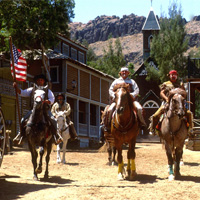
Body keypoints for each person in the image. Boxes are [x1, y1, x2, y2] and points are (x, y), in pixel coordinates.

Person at [13, 74, 63, 145]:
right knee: (23, 120)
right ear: (36, 81)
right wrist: (16, 88)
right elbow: (22, 92)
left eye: (41, 80)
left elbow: (52, 99)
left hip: (45, 110)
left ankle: (56, 136)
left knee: (53, 120)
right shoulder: (32, 89)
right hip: (33, 110)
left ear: (43, 81)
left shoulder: (47, 91)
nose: (40, 81)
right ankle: (20, 136)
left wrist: (47, 101)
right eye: (38, 80)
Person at [102, 67, 146, 132]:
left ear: (128, 73)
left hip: (130, 101)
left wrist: (131, 95)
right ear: (120, 73)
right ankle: (108, 125)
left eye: (126, 71)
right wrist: (115, 96)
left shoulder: (132, 81)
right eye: (123, 71)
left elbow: (137, 90)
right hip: (118, 100)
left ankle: (141, 123)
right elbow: (110, 90)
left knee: (139, 108)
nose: (124, 73)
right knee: (109, 110)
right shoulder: (116, 81)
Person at [149, 70, 193, 135]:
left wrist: (183, 97)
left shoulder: (180, 84)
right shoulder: (165, 84)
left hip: (179, 104)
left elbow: (184, 93)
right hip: (167, 103)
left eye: (175, 74)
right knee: (155, 116)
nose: (173, 76)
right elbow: (161, 92)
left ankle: (190, 130)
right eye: (172, 74)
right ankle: (153, 130)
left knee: (189, 114)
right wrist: (166, 99)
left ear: (177, 76)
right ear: (169, 76)